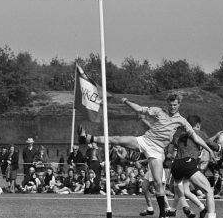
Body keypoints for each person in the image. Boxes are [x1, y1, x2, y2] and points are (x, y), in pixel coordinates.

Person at [78, 93, 215, 218]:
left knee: (157, 183)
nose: (172, 107)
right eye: (170, 104)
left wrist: (209, 149)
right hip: (145, 140)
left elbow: (196, 138)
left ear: (179, 104)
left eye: (175, 105)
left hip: (157, 150)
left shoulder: (182, 121)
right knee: (118, 139)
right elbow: (139, 109)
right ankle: (88, 138)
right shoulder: (159, 111)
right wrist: (127, 102)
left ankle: (162, 213)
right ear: (167, 104)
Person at [170, 115, 222, 218]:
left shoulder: (180, 135)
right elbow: (212, 145)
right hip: (187, 163)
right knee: (208, 190)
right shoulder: (199, 133)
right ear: (198, 124)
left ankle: (172, 211)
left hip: (176, 165)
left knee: (182, 191)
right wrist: (222, 145)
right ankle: (211, 216)